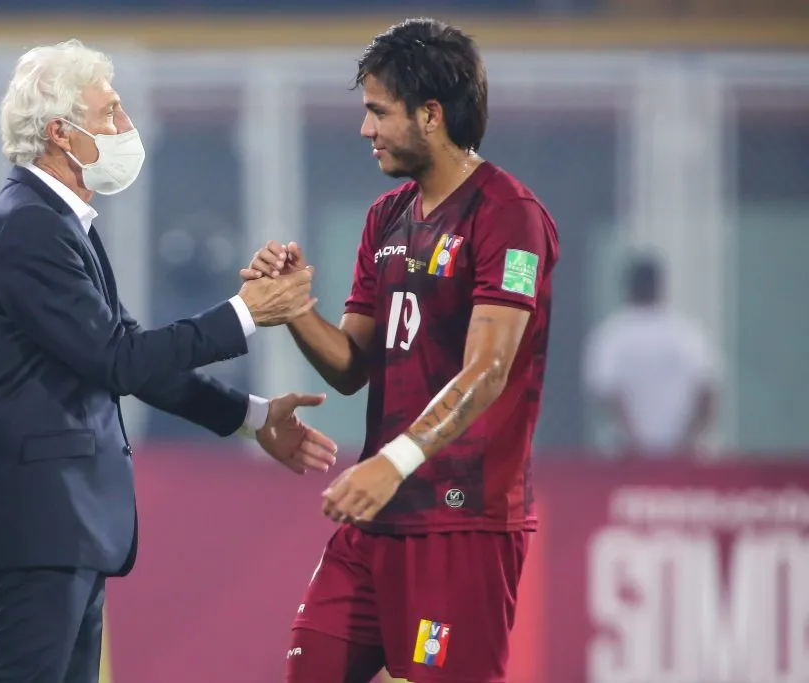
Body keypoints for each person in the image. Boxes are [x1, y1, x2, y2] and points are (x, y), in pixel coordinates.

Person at [0, 39, 338, 683]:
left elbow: (128, 350)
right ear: (58, 132)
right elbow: (121, 361)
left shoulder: (61, 223)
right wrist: (245, 312)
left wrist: (251, 414)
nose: (123, 127)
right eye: (108, 113)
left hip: (67, 526)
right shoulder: (26, 227)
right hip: (43, 521)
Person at [242, 18, 559, 683]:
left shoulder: (510, 215)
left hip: (462, 524)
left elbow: (490, 368)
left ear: (432, 115)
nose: (366, 130)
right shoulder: (386, 217)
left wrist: (395, 461)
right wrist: (295, 306)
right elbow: (355, 366)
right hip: (375, 521)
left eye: (378, 112)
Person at [583, 254, 718, 456]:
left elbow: (607, 394)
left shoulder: (612, 333)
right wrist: (688, 440)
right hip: (678, 452)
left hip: (628, 453)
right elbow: (707, 390)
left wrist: (635, 441)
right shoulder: (686, 331)